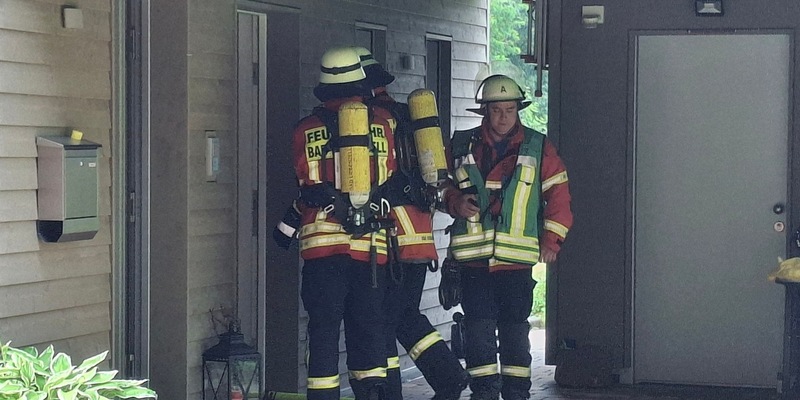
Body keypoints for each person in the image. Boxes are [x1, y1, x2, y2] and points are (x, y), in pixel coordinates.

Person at [443, 74, 573, 400]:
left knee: (515, 334)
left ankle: (517, 394)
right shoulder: (460, 145)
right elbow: (436, 187)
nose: (503, 117)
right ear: (485, 111)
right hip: (474, 264)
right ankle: (484, 394)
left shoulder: (538, 146)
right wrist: (454, 202)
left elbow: (559, 195)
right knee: (477, 334)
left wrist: (551, 241)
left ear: (519, 110)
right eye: (497, 110)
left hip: (516, 265)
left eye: (510, 110)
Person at [354, 47, 471, 400]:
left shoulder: (368, 125)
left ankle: (393, 393)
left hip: (387, 242)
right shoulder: (410, 118)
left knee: (383, 321)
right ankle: (449, 377)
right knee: (404, 315)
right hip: (418, 240)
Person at [292, 46, 398, 400]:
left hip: (323, 251)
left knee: (323, 334)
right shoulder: (382, 125)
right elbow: (389, 174)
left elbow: (305, 181)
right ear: (361, 85)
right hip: (369, 252)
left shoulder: (305, 129)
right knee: (368, 333)